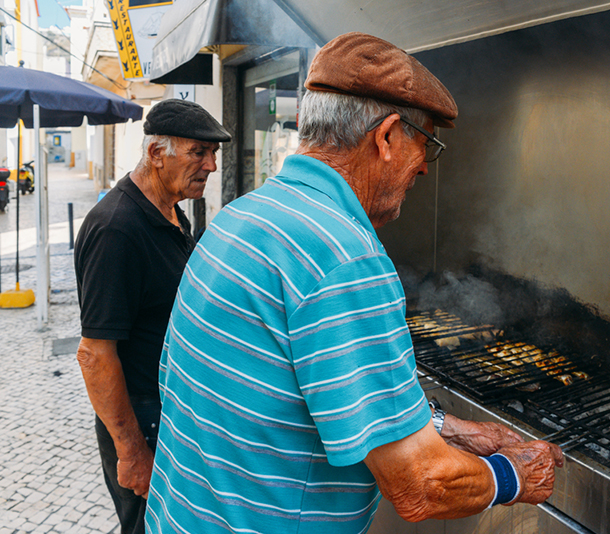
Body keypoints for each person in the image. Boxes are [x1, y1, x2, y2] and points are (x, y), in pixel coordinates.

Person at [144, 33, 563, 534]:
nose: (425, 167)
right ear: (386, 137)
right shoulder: (344, 259)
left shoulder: (242, 217)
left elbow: (294, 390)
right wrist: (512, 476)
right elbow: (419, 485)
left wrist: (446, 428)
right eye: (424, 142)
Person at [74, 99, 231, 534]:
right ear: (156, 153)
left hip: (170, 411)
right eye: (199, 152)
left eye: (214, 154)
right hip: (142, 421)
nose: (211, 166)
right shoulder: (117, 228)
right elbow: (94, 354)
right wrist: (131, 451)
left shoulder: (172, 212)